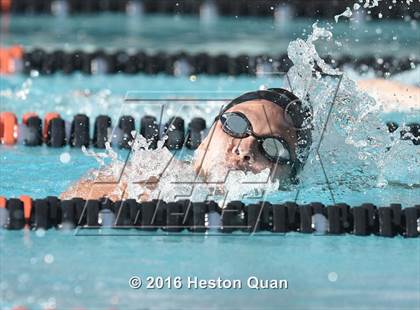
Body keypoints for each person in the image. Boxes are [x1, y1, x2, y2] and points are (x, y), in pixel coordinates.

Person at [61, 79, 419, 201]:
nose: (246, 148)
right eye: (236, 124)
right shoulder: (142, 178)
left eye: (273, 146)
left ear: (292, 175)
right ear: (204, 138)